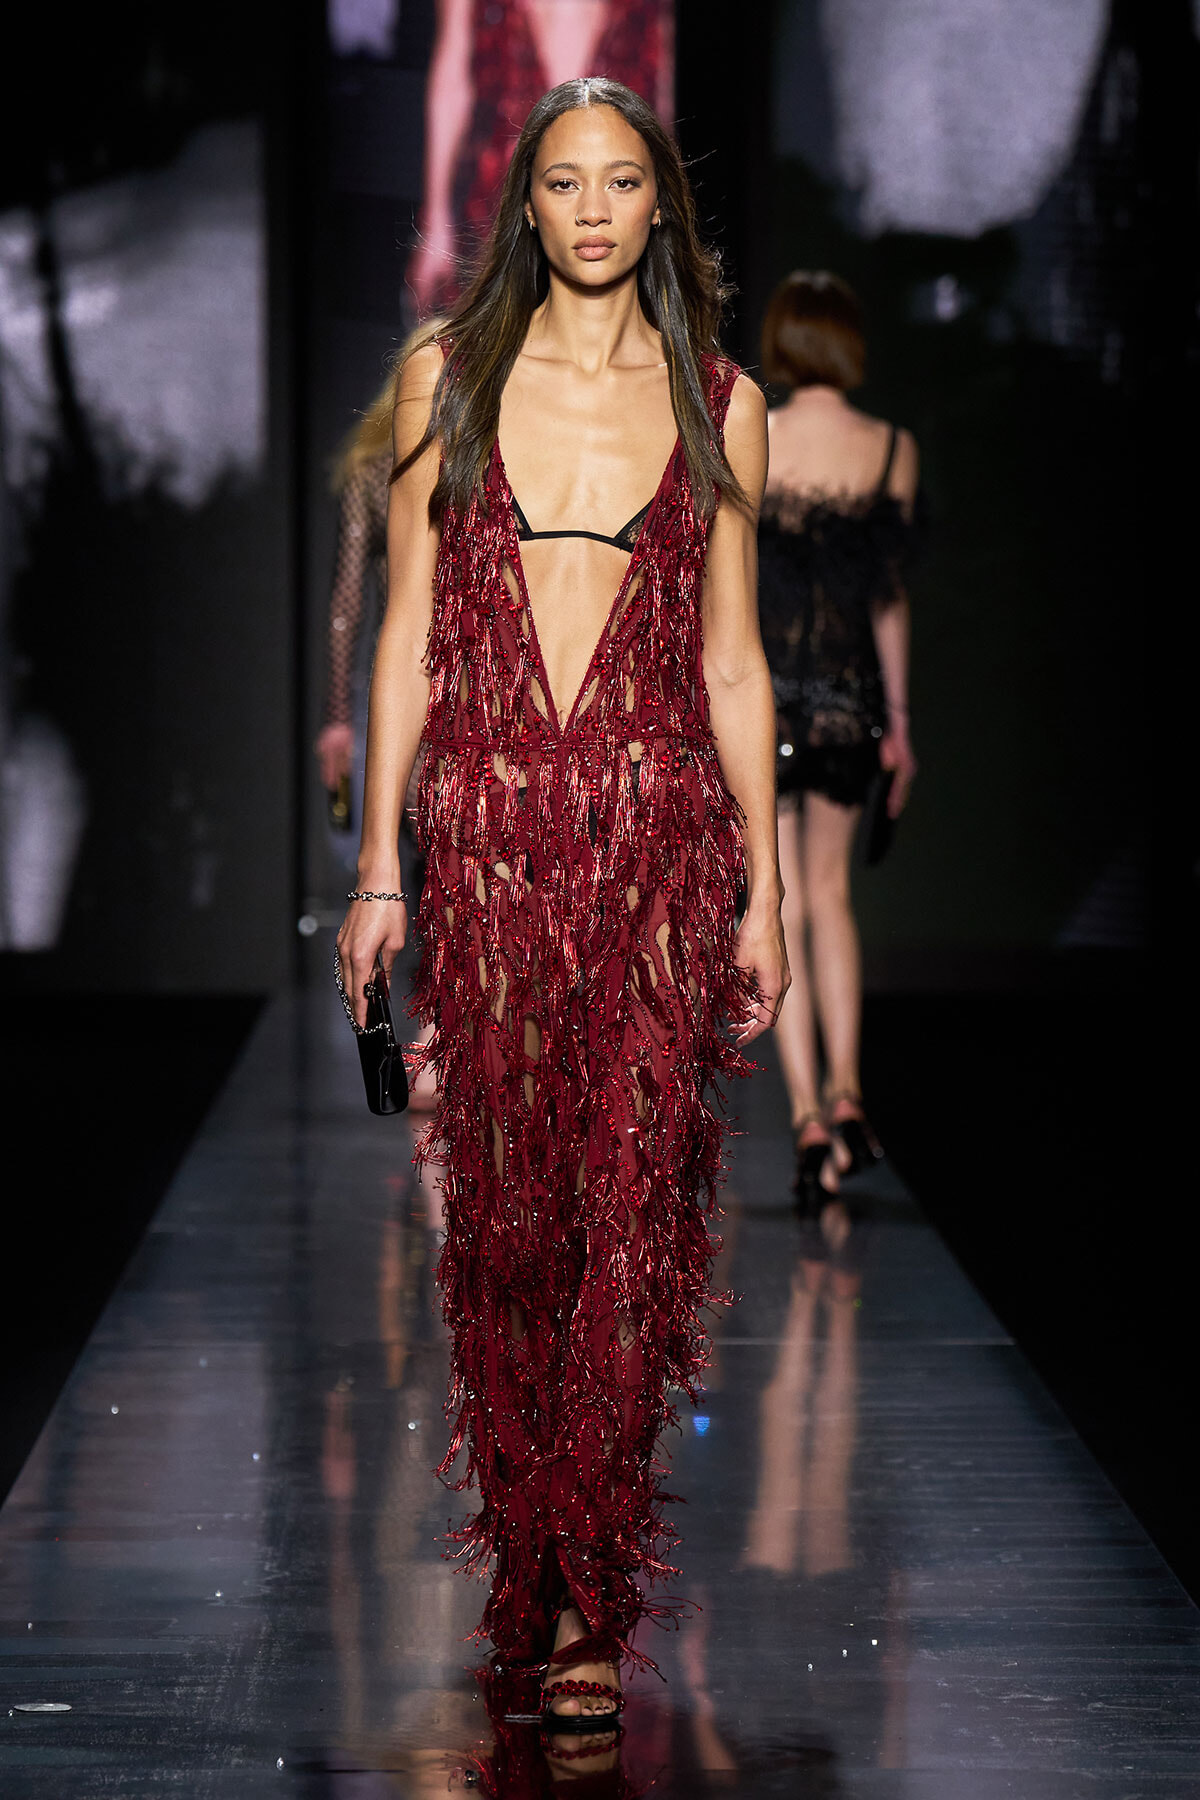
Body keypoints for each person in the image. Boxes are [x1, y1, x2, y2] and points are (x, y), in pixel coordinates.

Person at [336, 77, 786, 1742]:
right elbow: (399, 637)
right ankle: (524, 1564)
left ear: (659, 207)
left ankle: (593, 1585)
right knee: (515, 1227)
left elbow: (731, 652)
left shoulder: (718, 399)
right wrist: (379, 871)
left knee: (633, 1212)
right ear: (526, 209)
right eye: (564, 186)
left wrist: (763, 899)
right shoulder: (441, 382)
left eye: (622, 184)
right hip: (495, 845)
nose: (593, 211)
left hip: (662, 835)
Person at [756, 271, 919, 1204]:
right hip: (849, 705)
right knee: (831, 899)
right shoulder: (891, 449)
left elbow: (723, 589)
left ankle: (811, 1117)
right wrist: (900, 725)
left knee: (777, 907)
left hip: (769, 708)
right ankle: (851, 1094)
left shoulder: (755, 437)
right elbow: (888, 600)